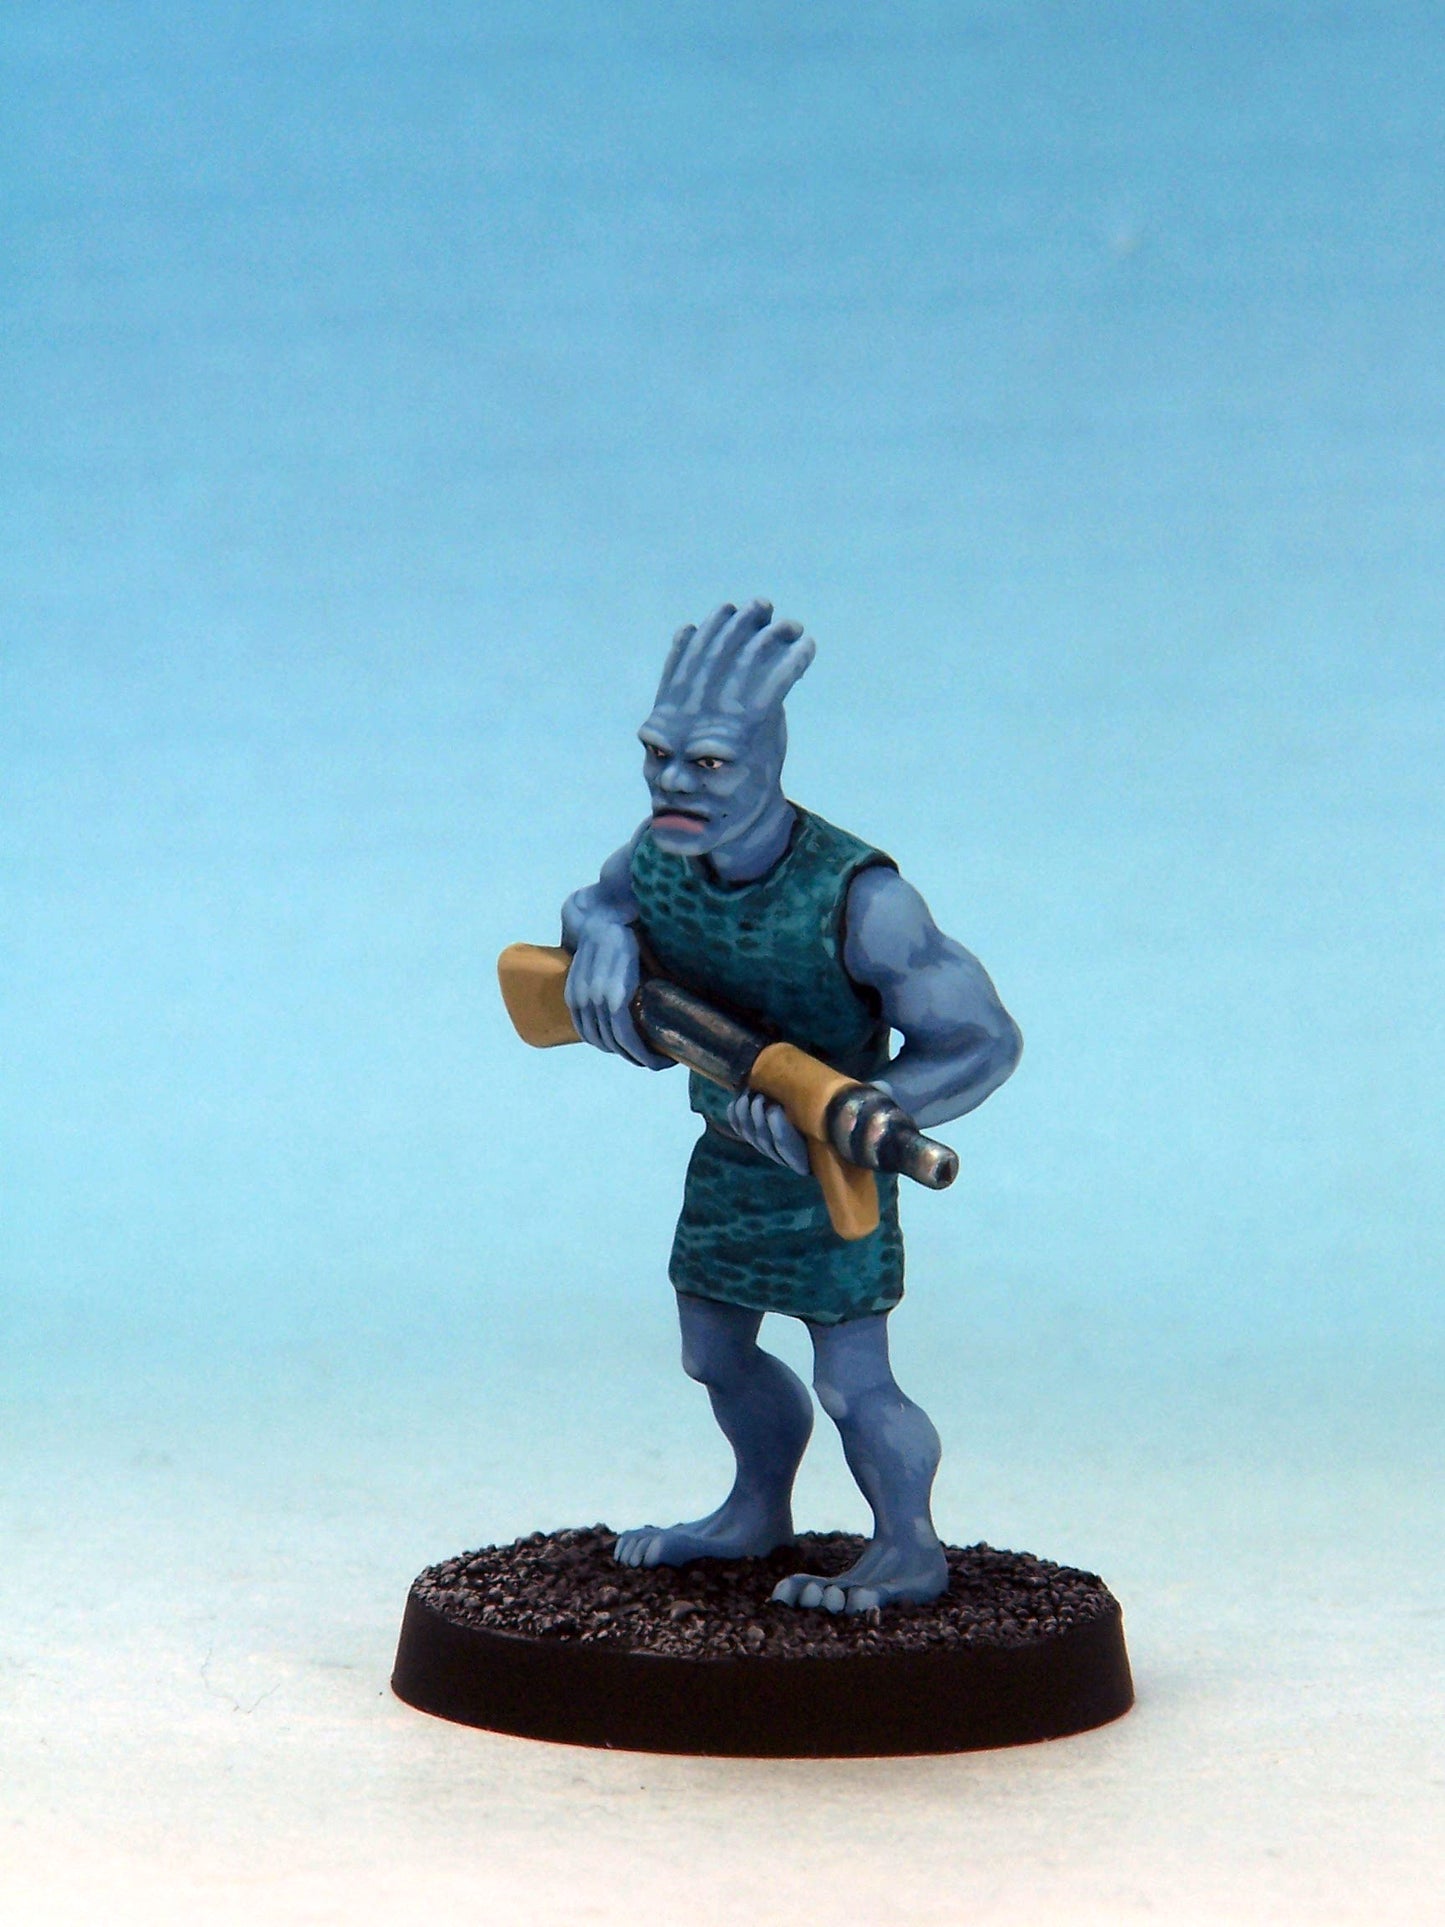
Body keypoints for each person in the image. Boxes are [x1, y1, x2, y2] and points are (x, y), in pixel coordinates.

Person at [561, 600, 1021, 1613]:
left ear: (767, 758)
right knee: (712, 1353)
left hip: (829, 1170)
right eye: (657, 754)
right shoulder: (655, 858)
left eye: (708, 762)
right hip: (727, 1157)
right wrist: (599, 936)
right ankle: (753, 1510)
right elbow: (596, 901)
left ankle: (906, 1548)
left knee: (853, 1382)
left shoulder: (862, 899)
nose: (673, 782)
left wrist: (864, 1104)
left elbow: (983, 1040)